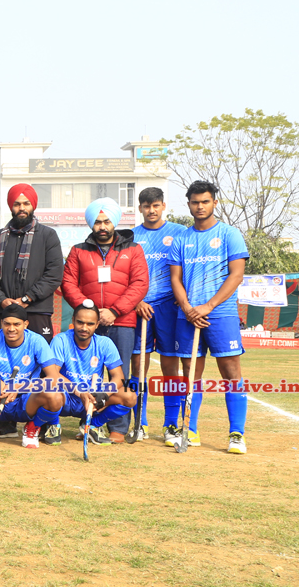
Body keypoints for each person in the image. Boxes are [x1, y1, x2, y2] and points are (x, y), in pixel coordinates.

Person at [167, 180, 249, 454]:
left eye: (205, 201)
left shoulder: (229, 234)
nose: (200, 206)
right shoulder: (181, 239)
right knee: (190, 373)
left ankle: (236, 434)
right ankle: (189, 429)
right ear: (189, 204)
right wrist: (189, 308)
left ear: (214, 202)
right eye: (195, 202)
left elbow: (236, 275)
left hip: (221, 314)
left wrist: (208, 306)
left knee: (231, 372)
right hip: (187, 316)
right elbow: (175, 279)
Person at [60, 197, 148, 443]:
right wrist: (91, 313)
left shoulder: (133, 249)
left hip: (122, 321)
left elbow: (140, 284)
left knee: (120, 374)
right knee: (85, 372)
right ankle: (87, 420)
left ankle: (118, 427)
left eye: (106, 221)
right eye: (97, 222)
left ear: (114, 222)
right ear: (91, 224)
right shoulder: (78, 250)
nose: (102, 226)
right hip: (89, 323)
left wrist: (115, 311)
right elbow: (68, 284)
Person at [130, 187, 188, 443]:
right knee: (137, 366)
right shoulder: (131, 236)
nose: (151, 210)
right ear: (140, 208)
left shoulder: (180, 233)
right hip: (139, 306)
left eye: (155, 205)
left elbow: (187, 269)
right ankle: (139, 423)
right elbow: (125, 273)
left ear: (163, 206)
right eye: (146, 206)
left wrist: (182, 298)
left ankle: (170, 424)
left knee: (170, 366)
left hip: (169, 307)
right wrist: (136, 300)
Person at [0, 305, 64, 448]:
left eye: (16, 324)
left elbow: (54, 378)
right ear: (1, 323)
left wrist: (18, 387)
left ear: (25, 324)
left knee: (56, 397)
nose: (11, 329)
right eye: (7, 324)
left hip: (27, 401)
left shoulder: (37, 341)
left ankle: (32, 427)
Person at [48, 300, 136, 446]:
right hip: (65, 397)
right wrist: (79, 392)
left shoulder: (105, 343)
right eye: (80, 322)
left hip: (93, 400)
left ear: (97, 325)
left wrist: (104, 394)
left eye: (90, 324)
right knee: (47, 388)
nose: (84, 328)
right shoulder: (60, 340)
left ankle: (92, 426)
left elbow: (119, 376)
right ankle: (53, 425)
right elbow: (53, 374)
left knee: (129, 396)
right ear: (73, 321)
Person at [0, 183, 63, 343]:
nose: (22, 208)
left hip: (37, 310)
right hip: (3, 312)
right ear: (11, 206)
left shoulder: (48, 236)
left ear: (33, 206)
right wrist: (2, 300)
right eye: (17, 204)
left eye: (26, 203)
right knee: (2, 356)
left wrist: (28, 298)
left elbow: (54, 274)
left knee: (39, 357)